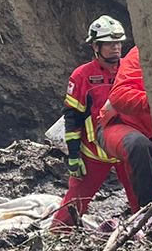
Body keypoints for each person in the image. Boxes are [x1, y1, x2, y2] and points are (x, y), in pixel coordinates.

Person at [51, 16, 133, 230]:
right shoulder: (82, 76)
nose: (116, 47)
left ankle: (151, 237)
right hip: (94, 152)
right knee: (72, 205)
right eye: (110, 43)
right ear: (95, 46)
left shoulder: (132, 70)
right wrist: (73, 156)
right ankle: (57, 239)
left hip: (129, 150)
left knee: (147, 200)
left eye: (119, 43)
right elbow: (72, 118)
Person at [97, 44, 152, 215]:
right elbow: (119, 95)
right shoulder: (145, 50)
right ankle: (151, 219)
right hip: (118, 124)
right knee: (139, 146)